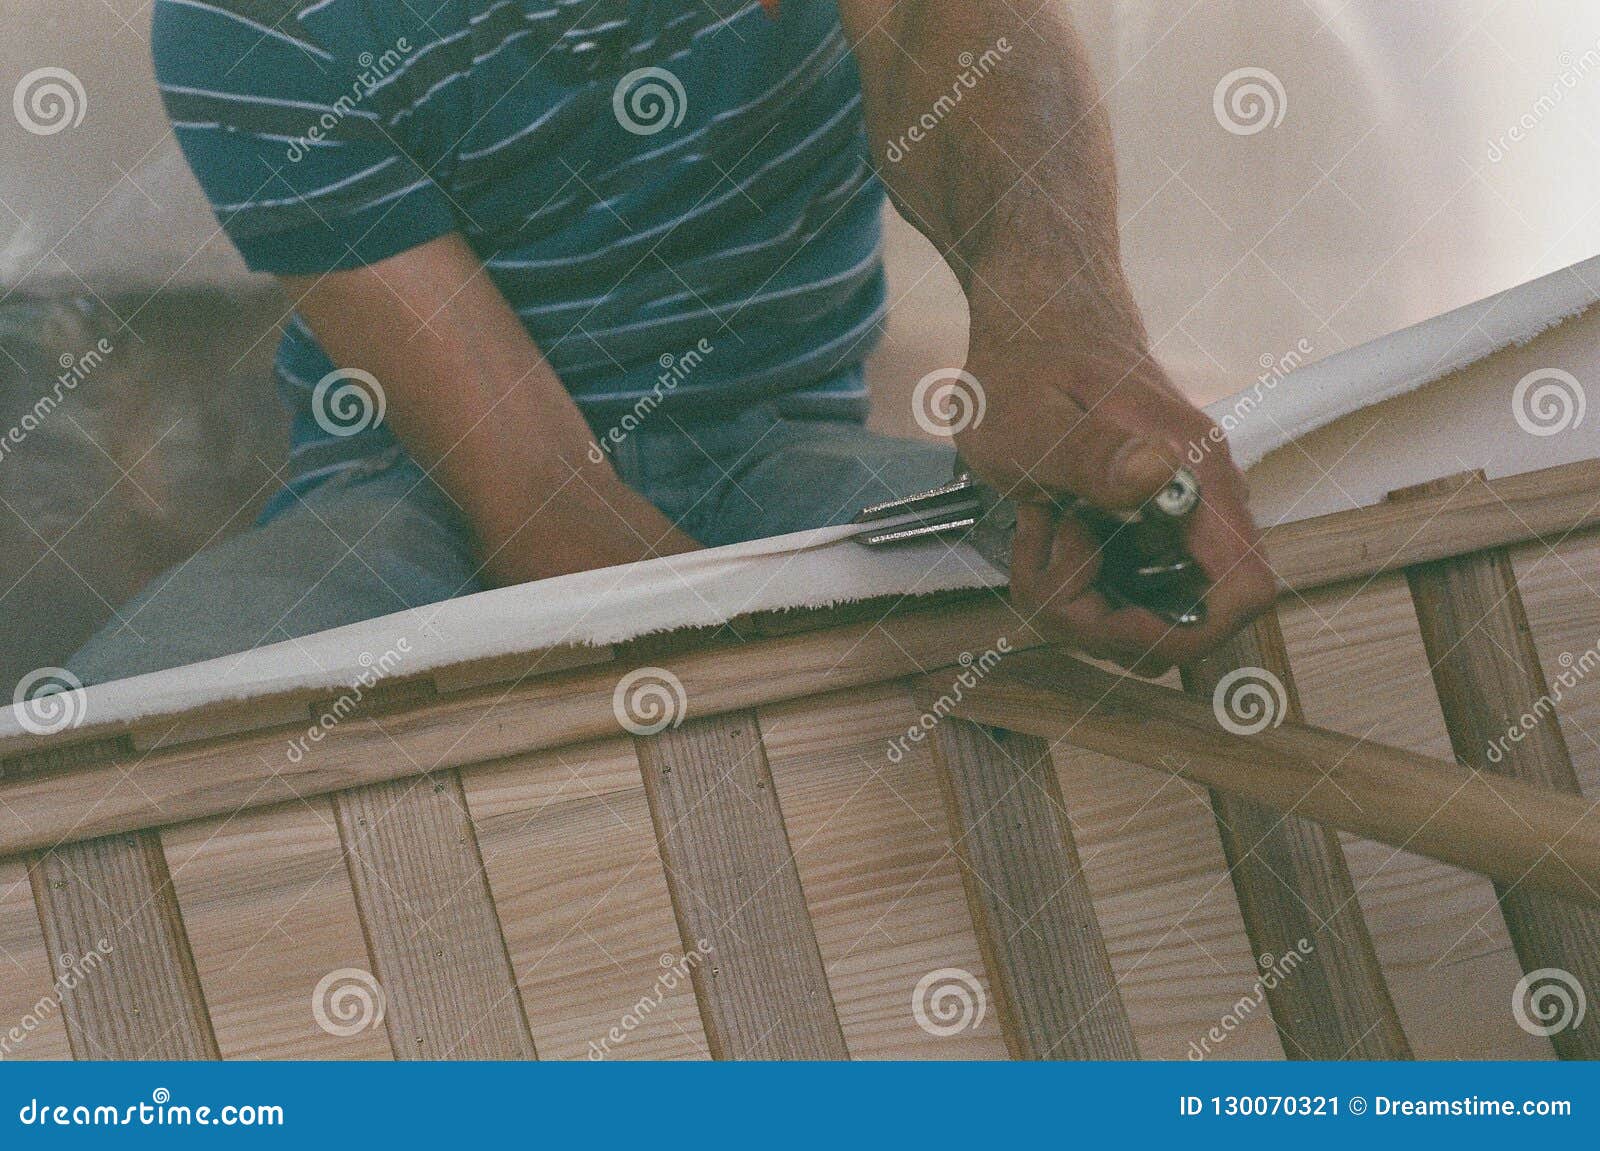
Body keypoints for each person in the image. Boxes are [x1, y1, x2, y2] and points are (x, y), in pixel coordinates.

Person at [68, 0, 1273, 686]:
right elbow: (540, 498)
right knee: (146, 711)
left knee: (1160, 559)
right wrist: (814, 687)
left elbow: (930, 21)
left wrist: (1062, 327)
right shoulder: (245, 23)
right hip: (418, 497)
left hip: (781, 458)